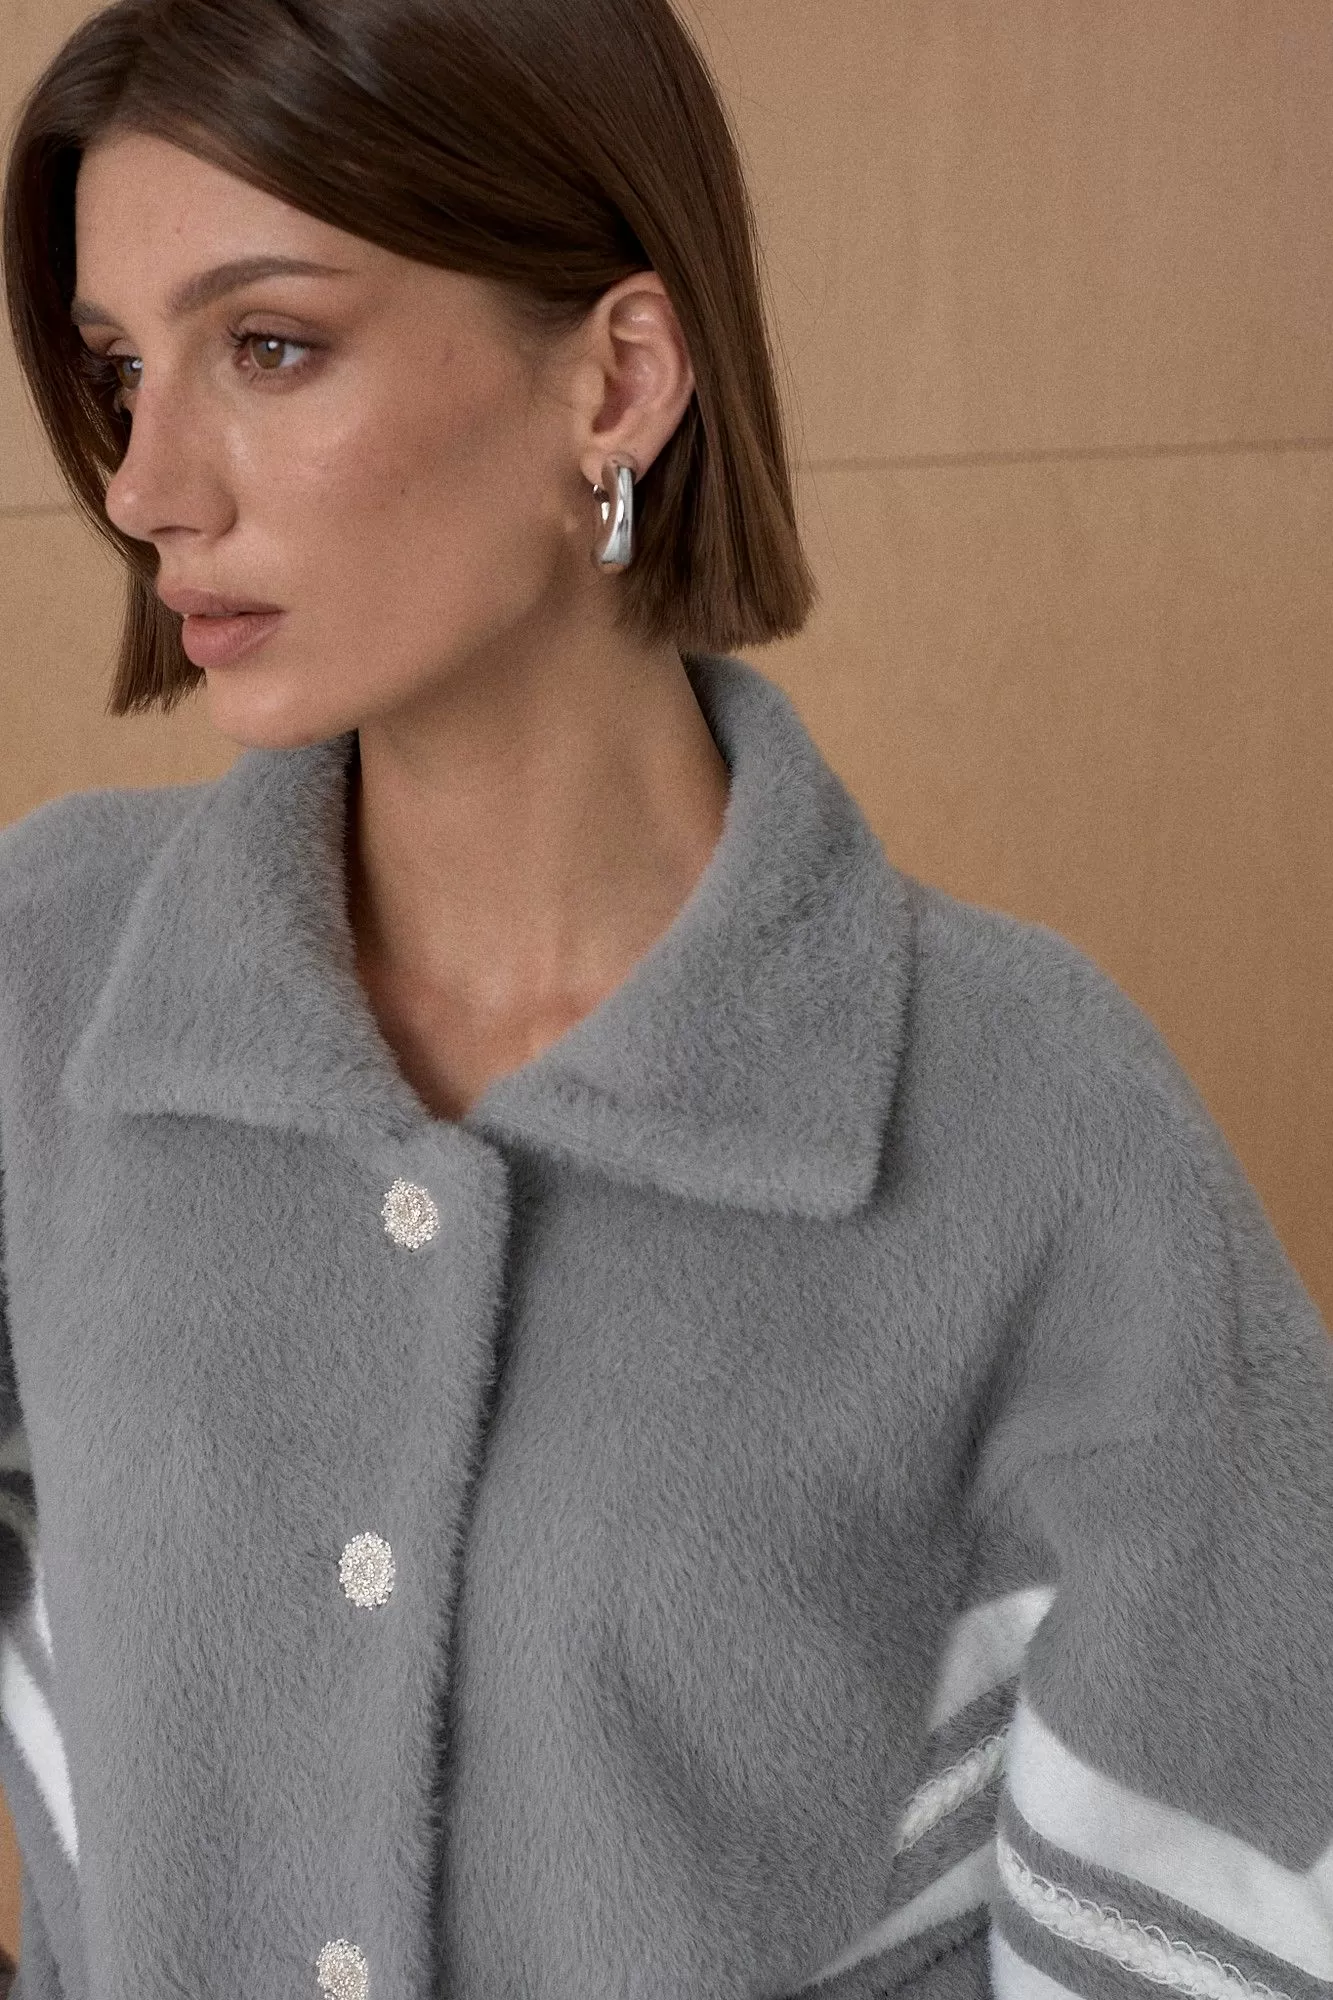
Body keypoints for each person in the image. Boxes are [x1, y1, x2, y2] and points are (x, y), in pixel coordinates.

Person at [0, 1, 1330, 1996]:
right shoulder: (46, 981)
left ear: (617, 378)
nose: (144, 483)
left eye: (268, 346)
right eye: (119, 368)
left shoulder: (1032, 1116)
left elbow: (1222, 1904)